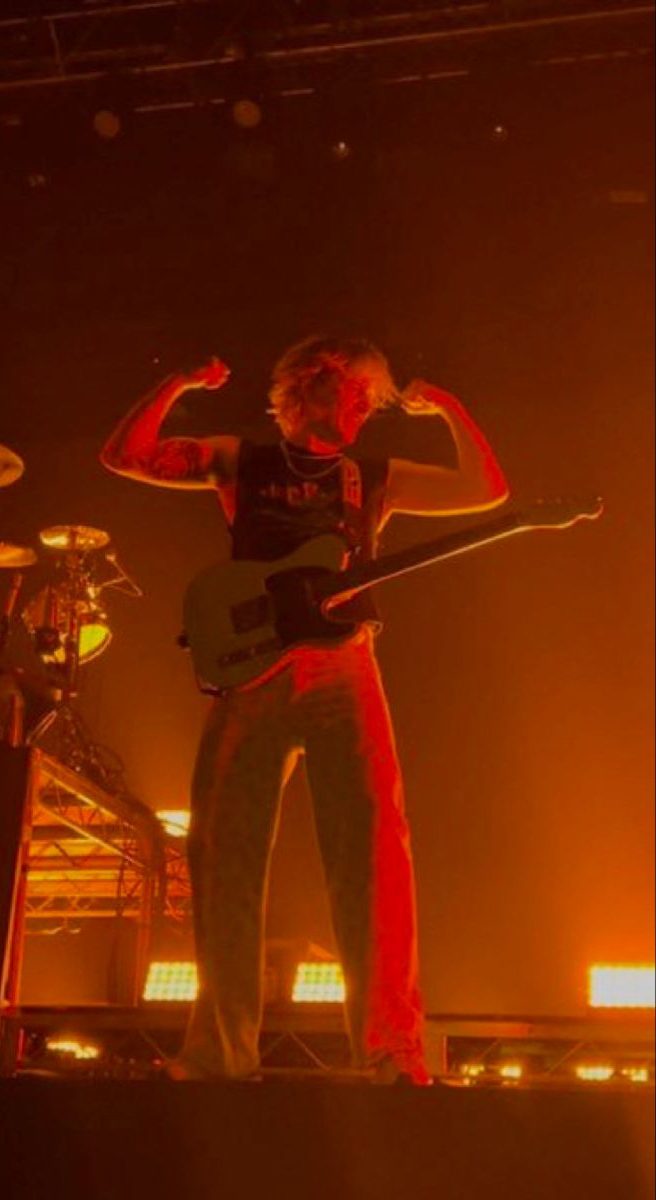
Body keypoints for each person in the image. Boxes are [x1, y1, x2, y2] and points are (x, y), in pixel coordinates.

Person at [100, 335, 509, 1084]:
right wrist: (178, 383)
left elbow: (487, 491)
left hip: (342, 668)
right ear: (314, 384)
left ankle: (391, 1055)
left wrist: (448, 407)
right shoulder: (238, 459)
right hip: (248, 674)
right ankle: (217, 1056)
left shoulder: (372, 476)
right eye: (358, 392)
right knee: (222, 862)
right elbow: (125, 455)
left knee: (375, 859)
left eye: (372, 398)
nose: (365, 409)